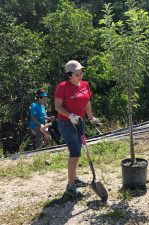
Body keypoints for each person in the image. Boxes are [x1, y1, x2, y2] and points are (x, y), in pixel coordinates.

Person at [54, 60, 99, 198]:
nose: (80, 75)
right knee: (75, 153)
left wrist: (91, 118)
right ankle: (70, 187)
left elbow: (87, 103)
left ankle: (74, 178)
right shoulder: (62, 87)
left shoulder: (85, 85)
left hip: (80, 122)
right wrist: (70, 115)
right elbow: (58, 107)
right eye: (77, 74)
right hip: (66, 123)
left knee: (77, 151)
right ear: (69, 75)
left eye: (81, 72)